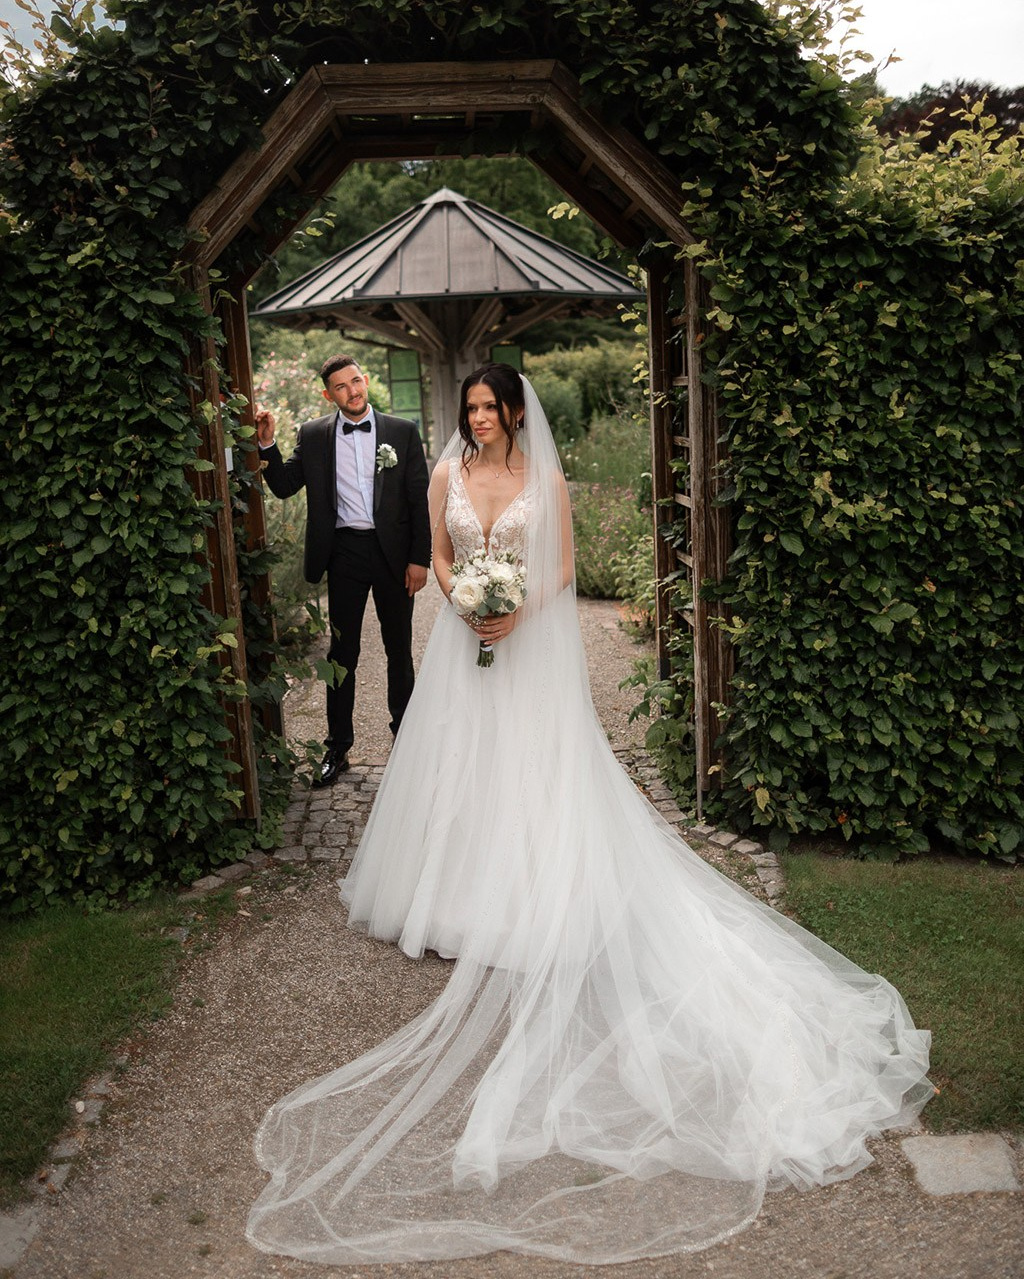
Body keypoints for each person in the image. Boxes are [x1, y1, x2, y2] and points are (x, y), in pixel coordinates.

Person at [247, 366, 933, 1265]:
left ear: (516, 414)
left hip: (524, 649)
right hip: (463, 647)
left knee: (530, 772)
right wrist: (461, 600)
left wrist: (516, 610)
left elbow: (563, 566)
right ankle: (447, 893)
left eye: (494, 408)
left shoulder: (549, 482)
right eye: (474, 409)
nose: (482, 420)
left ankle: (529, 889)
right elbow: (442, 553)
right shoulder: (445, 472)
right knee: (456, 769)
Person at [256, 356, 430, 786]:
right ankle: (338, 748)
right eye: (341, 387)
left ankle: (404, 741)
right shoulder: (314, 435)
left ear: (364, 380)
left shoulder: (402, 432)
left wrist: (418, 559)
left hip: (392, 554)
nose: (352, 392)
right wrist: (266, 445)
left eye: (356, 382)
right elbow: (283, 486)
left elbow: (418, 500)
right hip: (345, 554)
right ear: (328, 394)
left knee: (399, 650)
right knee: (341, 655)